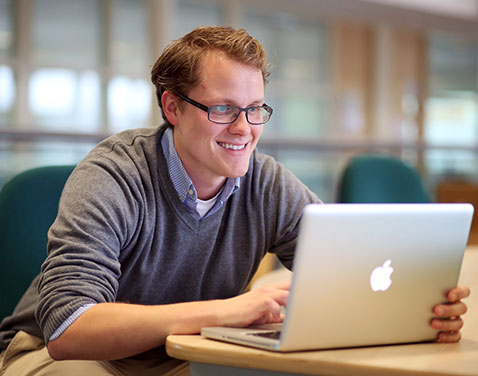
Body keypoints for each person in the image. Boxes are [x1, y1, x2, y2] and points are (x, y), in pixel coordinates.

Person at [0, 26, 470, 376]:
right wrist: (229, 309)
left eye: (254, 109)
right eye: (223, 108)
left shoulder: (266, 183)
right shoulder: (114, 174)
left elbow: (353, 274)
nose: (245, 129)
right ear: (172, 107)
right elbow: (69, 329)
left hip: (186, 355)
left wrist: (419, 308)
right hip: (59, 356)